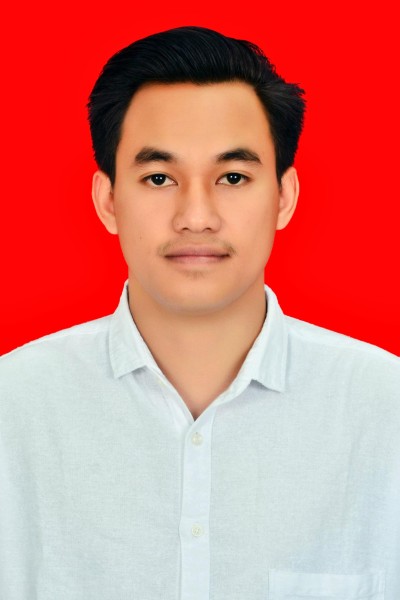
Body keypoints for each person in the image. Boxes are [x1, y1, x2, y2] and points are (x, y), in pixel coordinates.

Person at [0, 25, 399, 600]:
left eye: (232, 177)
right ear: (108, 200)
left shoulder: (386, 412)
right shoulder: (14, 410)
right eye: (159, 178)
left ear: (284, 197)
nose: (196, 216)